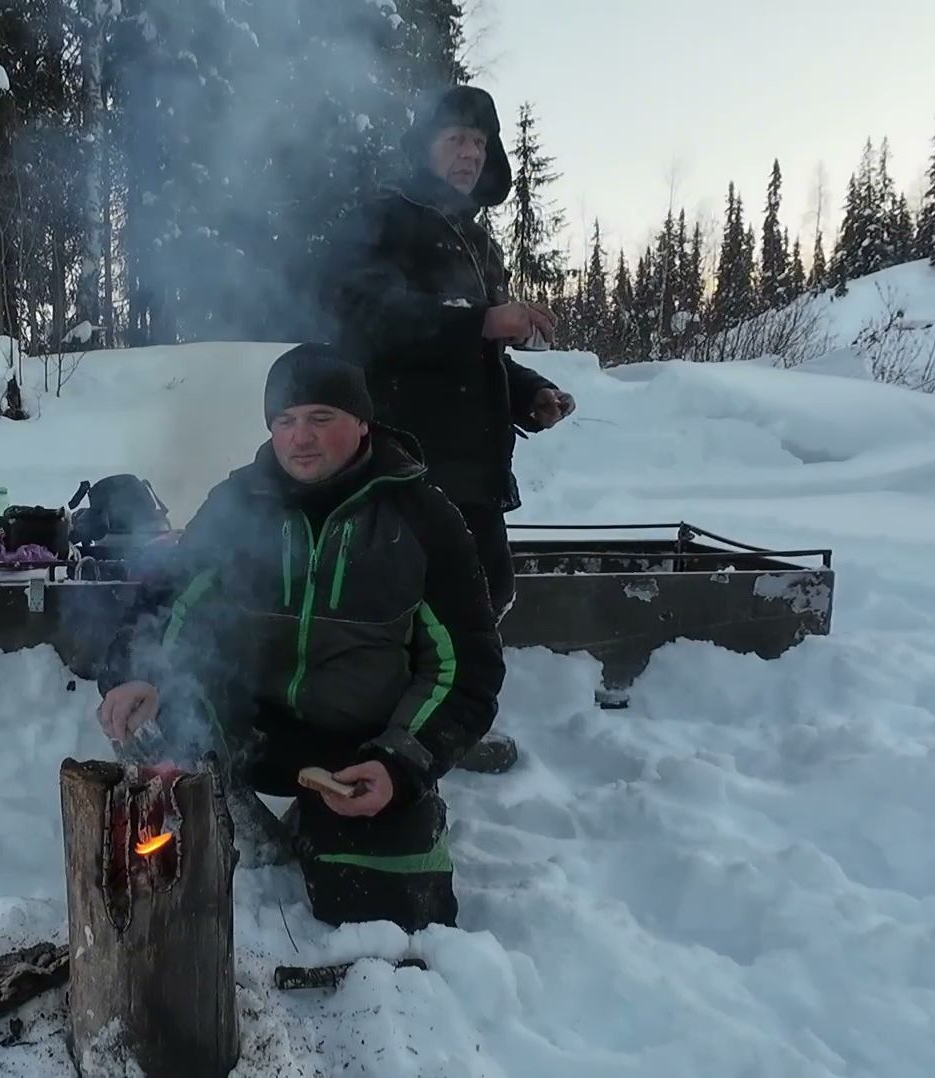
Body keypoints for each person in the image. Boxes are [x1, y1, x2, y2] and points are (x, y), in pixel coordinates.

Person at [95, 344, 506, 933]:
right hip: (250, 727)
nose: (300, 438)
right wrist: (139, 672)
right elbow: (167, 600)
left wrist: (400, 763)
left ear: (362, 423)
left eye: (320, 418)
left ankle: (362, 820)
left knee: (384, 914)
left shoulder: (422, 519)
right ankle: (230, 814)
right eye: (284, 422)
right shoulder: (239, 503)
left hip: (360, 746)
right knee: (149, 718)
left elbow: (467, 670)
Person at [324, 84, 576, 773]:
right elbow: (367, 316)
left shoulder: (476, 238)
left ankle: (441, 727)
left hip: (476, 462)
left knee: (484, 597)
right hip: (407, 452)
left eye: (478, 142)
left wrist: (530, 394)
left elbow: (482, 349)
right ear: (423, 146)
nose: (468, 154)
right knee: (410, 606)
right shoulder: (386, 220)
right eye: (454, 139)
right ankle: (388, 732)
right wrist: (483, 321)